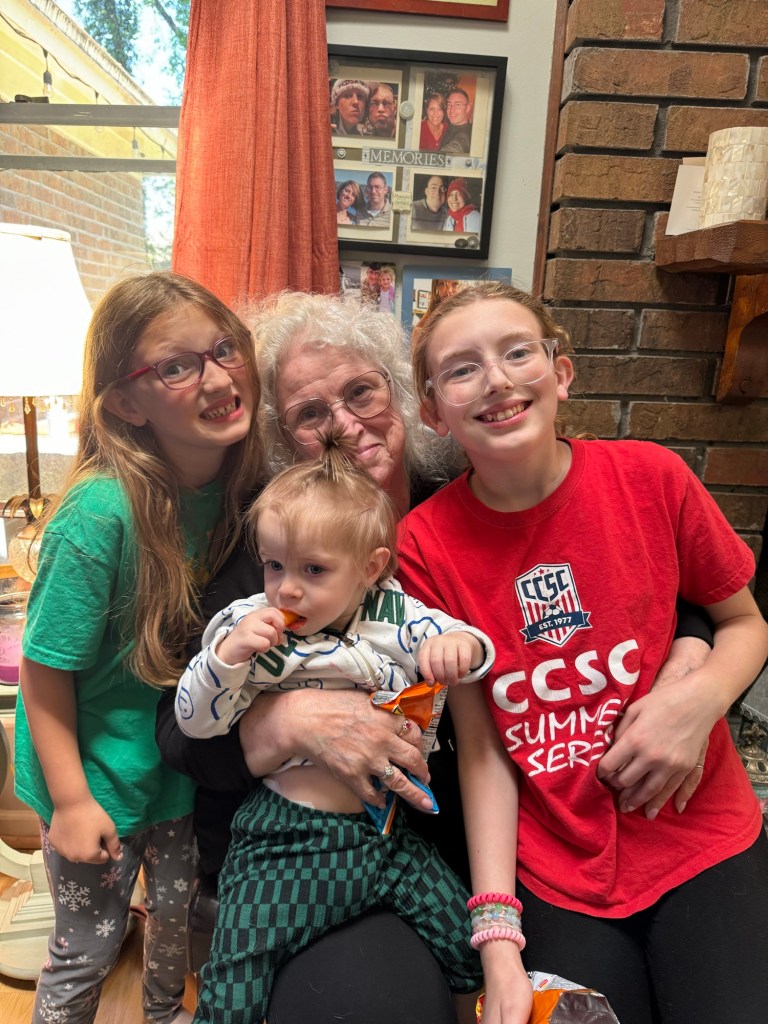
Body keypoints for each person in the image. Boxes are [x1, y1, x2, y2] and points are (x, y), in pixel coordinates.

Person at [154, 293, 714, 1022]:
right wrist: (289, 721)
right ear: (282, 439)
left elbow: (629, 580)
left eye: (362, 392)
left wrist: (692, 658)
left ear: (405, 399)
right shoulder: (269, 553)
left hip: (473, 850)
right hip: (304, 853)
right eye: (310, 413)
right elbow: (177, 734)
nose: (345, 425)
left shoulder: (465, 500)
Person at [398, 281, 768, 1024]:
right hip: (558, 868)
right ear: (435, 411)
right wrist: (497, 938)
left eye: (517, 353)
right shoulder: (425, 544)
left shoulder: (653, 478)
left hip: (703, 837)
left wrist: (697, 703)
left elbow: (745, 623)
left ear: (560, 373)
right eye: (462, 368)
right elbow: (483, 749)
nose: (496, 379)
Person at [16, 271, 264, 1024]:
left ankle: (163, 1017)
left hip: (171, 774)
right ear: (126, 404)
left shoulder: (235, 491)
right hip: (93, 778)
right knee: (87, 951)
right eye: (177, 366)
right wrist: (70, 801)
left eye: (224, 349)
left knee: (174, 931)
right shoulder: (99, 514)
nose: (217, 378)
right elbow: (42, 675)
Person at [177, 434, 494, 1022]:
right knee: (233, 985)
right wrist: (224, 659)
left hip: (388, 840)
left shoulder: (392, 614)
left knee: (466, 942)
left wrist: (459, 646)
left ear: (370, 568)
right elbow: (194, 722)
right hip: (284, 843)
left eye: (314, 569)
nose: (287, 588)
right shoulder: (250, 625)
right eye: (274, 565)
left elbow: (468, 643)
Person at [441, 88, 473, 155]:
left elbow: (457, 146)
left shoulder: (467, 133)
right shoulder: (447, 127)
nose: (451, 110)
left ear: (468, 108)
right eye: (449, 105)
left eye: (458, 105)